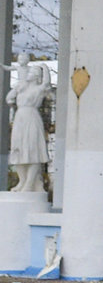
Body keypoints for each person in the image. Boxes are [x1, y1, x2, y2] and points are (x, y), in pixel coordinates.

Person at [8, 63, 50, 194]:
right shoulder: (21, 87)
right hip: (20, 118)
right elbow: (9, 98)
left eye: (32, 72)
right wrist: (16, 89)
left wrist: (45, 68)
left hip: (32, 118)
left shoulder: (38, 89)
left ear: (37, 76)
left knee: (33, 151)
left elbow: (47, 83)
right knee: (18, 151)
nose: (29, 74)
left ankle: (30, 183)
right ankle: (22, 181)